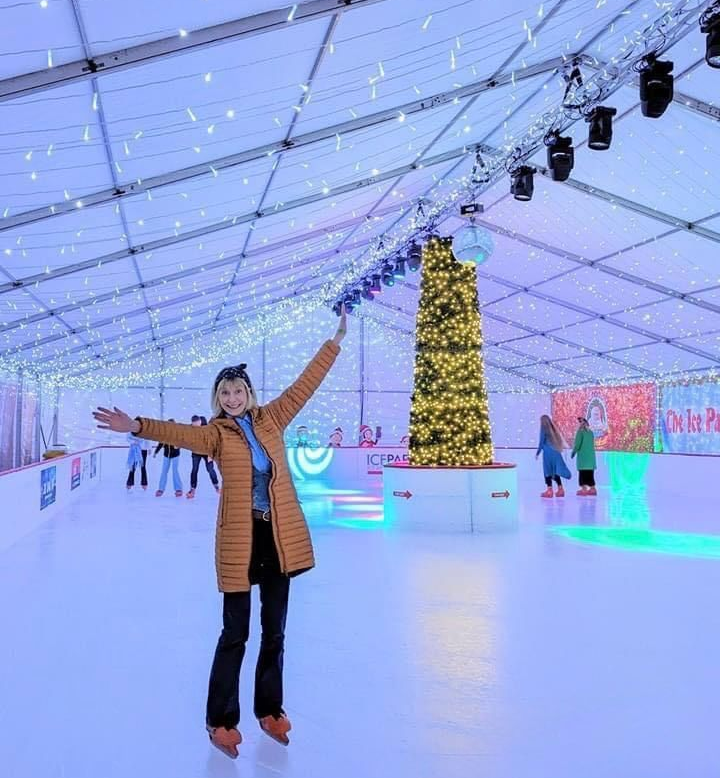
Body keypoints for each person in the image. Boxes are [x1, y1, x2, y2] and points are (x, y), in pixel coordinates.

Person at [93, 307, 347, 759]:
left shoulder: (273, 418)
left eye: (238, 390)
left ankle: (269, 709)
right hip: (238, 542)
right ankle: (221, 719)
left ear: (249, 393)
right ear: (218, 398)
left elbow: (306, 383)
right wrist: (135, 425)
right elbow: (176, 433)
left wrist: (336, 338)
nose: (232, 397)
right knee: (235, 634)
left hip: (278, 538)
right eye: (225, 392)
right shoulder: (215, 435)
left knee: (275, 631)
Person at [535, 414, 571, 498]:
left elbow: (541, 442)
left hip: (548, 453)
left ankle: (549, 490)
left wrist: (537, 453)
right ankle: (560, 489)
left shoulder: (544, 429)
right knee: (555, 471)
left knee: (547, 471)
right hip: (556, 452)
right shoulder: (553, 429)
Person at [187, 415, 220, 498]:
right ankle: (192, 489)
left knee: (210, 469)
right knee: (194, 469)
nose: (195, 427)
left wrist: (210, 455)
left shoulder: (206, 427)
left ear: (200, 422)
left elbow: (212, 442)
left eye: (197, 424)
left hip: (206, 452)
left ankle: (216, 486)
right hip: (196, 452)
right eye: (193, 425)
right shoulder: (191, 427)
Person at [153, 420, 183, 497]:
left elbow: (181, 442)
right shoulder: (165, 433)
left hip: (175, 455)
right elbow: (161, 443)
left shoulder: (177, 433)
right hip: (166, 455)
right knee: (164, 471)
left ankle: (178, 489)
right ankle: (161, 489)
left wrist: (178, 446)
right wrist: (156, 452)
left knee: (175, 471)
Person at [571, 416, 597, 496]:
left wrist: (573, 453)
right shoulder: (591, 432)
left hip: (583, 458)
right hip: (591, 458)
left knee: (582, 474)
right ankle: (593, 489)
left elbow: (577, 444)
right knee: (590, 474)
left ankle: (584, 489)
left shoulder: (580, 432)